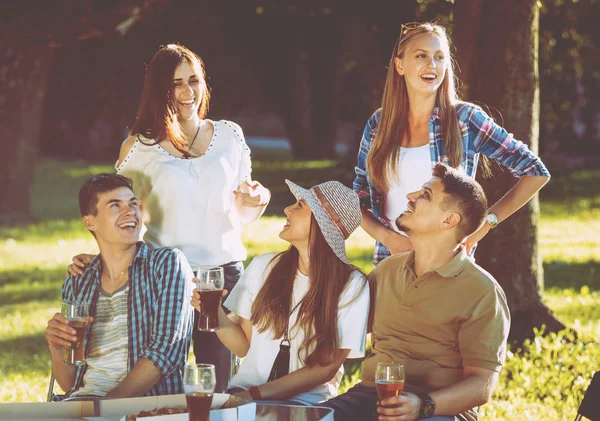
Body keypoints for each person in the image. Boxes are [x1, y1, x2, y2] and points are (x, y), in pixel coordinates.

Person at [67, 44, 271, 391]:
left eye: (194, 80)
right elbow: (121, 212)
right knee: (160, 377)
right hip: (162, 277)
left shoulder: (229, 135)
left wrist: (257, 198)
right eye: (177, 83)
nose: (188, 91)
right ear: (160, 89)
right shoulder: (139, 148)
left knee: (219, 383)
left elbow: (243, 213)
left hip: (221, 276)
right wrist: (101, 260)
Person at [322, 164, 510, 421]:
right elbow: (338, 328)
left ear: (449, 220)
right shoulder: (387, 270)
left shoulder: (482, 291)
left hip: (438, 409)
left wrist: (423, 405)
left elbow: (482, 384)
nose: (410, 196)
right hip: (369, 397)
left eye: (426, 195)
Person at [356, 22, 550, 266]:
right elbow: (358, 197)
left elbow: (535, 172)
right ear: (400, 65)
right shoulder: (378, 125)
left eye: (439, 57)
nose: (432, 65)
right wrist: (390, 239)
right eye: (421, 56)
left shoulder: (465, 119)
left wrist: (484, 226)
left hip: (448, 265)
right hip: (388, 263)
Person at [190, 180, 370, 405]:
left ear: (324, 224)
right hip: (244, 394)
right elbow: (243, 345)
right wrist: (215, 313)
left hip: (305, 403)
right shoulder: (263, 266)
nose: (287, 209)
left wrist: (254, 395)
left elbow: (325, 368)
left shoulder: (352, 285)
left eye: (300, 205)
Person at [45, 174, 194, 399]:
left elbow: (166, 352)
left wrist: (105, 410)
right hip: (83, 403)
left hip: (144, 408)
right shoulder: (79, 280)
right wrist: (57, 348)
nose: (130, 212)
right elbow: (69, 382)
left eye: (133, 204)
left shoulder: (167, 264)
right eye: (115, 205)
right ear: (90, 221)